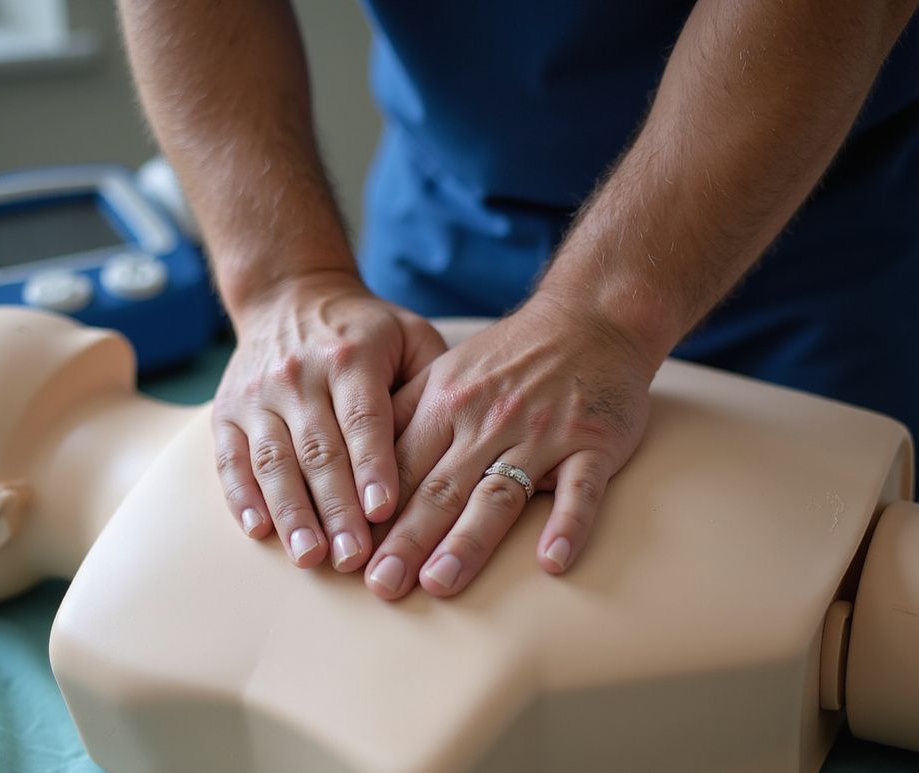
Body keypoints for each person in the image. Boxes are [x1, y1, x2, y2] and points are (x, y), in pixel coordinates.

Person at [117, 0, 918, 602]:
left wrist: (606, 314)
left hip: (815, 228)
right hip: (452, 206)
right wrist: (284, 281)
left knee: (820, 589)